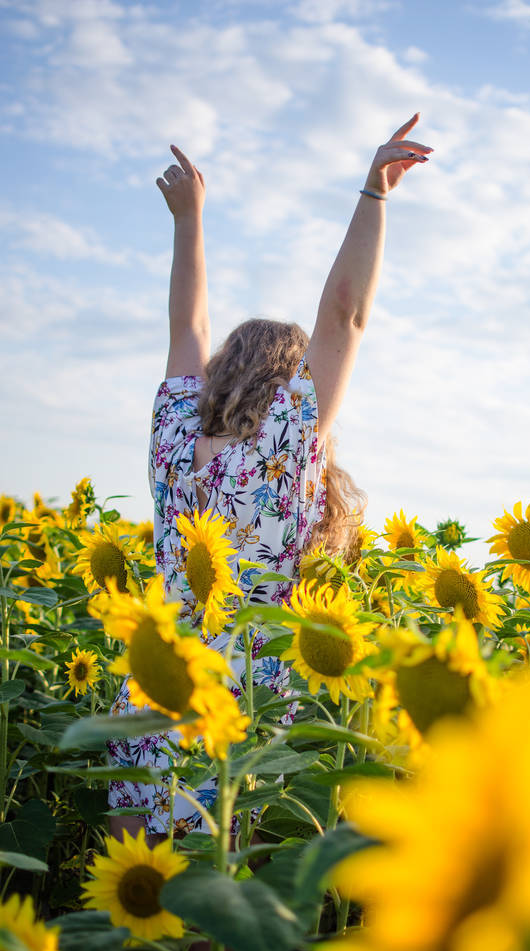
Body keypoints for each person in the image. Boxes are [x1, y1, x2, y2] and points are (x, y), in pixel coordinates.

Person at [106, 114, 433, 842]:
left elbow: (185, 324)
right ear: (291, 376)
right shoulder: (291, 434)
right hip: (237, 701)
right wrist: (374, 194)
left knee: (133, 900)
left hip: (150, 679)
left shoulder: (173, 431)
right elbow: (344, 317)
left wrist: (189, 219)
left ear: (226, 365)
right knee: (213, 912)